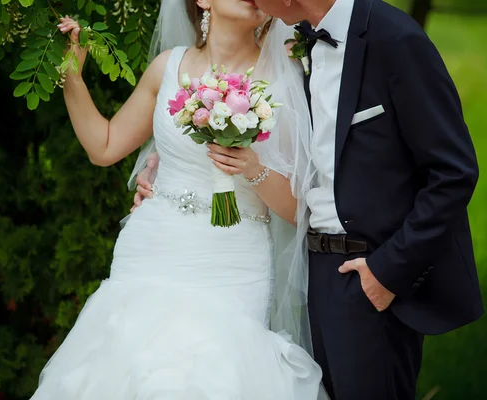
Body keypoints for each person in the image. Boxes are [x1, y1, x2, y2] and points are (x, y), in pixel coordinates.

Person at [136, 0, 483, 398]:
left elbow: (453, 171)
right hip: (317, 274)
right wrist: (170, 162)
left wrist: (388, 271)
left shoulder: (394, 38)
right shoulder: (297, 47)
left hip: (372, 271)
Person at [30, 0, 325, 398]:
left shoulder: (285, 76)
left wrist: (251, 167)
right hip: (152, 247)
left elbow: (297, 208)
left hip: (232, 264)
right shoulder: (168, 67)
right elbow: (104, 146)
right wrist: (73, 80)